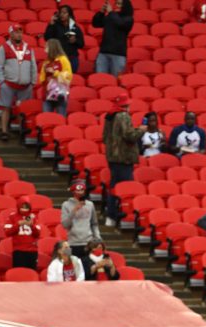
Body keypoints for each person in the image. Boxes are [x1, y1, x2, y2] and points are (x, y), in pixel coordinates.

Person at [103, 94, 145, 226]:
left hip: (112, 157)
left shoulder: (109, 116)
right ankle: (121, 217)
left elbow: (104, 137)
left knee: (114, 186)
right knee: (126, 189)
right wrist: (141, 130)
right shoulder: (123, 116)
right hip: (123, 157)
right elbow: (129, 135)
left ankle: (111, 216)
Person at [0, 25, 38, 141]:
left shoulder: (28, 48)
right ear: (11, 34)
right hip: (8, 84)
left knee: (23, 110)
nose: (19, 34)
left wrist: (33, 81)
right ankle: (4, 131)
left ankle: (22, 131)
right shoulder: (4, 48)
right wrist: (1, 82)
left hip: (25, 85)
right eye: (16, 32)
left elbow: (33, 65)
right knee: (6, 108)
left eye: (20, 32)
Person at [60, 180, 98, 266]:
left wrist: (97, 238)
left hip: (88, 242)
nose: (80, 192)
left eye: (82, 190)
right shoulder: (66, 205)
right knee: (75, 267)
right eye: (78, 190)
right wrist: (74, 210)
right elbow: (65, 224)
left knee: (89, 268)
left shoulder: (90, 204)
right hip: (73, 242)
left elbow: (94, 223)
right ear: (73, 191)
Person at [92, 0, 134, 76]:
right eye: (116, 3)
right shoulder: (111, 17)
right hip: (103, 53)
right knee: (100, 78)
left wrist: (111, 12)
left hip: (118, 55)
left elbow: (119, 23)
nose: (117, 5)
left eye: (120, 4)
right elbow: (96, 23)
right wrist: (101, 12)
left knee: (116, 80)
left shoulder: (128, 19)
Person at [3, 198, 42, 270]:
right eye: (22, 207)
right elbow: (7, 232)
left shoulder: (34, 217)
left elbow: (38, 234)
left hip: (32, 250)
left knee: (32, 273)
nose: (24, 209)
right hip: (19, 250)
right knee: (19, 273)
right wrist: (18, 224)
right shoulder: (12, 216)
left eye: (26, 207)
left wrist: (32, 226)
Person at [43, 5, 84, 73]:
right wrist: (51, 24)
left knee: (71, 80)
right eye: (61, 13)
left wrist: (75, 41)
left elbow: (82, 44)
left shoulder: (75, 28)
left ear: (69, 15)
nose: (62, 15)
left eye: (64, 13)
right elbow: (47, 38)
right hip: (58, 58)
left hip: (72, 59)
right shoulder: (55, 26)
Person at [40, 39, 72, 117]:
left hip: (60, 94)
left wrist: (55, 73)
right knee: (46, 118)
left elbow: (68, 76)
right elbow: (41, 79)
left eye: (46, 46)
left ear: (52, 47)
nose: (45, 49)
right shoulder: (46, 62)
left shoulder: (63, 59)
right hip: (47, 94)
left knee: (61, 118)